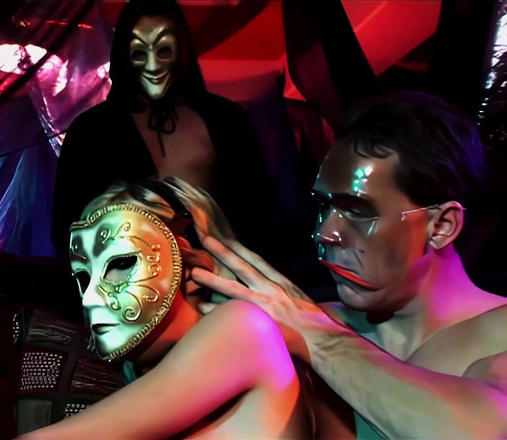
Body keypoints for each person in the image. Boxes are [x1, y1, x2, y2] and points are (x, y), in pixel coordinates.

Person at [192, 91, 507, 438]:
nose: (325, 233)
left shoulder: (501, 333)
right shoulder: (303, 320)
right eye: (325, 207)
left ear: (442, 226)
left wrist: (322, 341)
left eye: (358, 212)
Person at [23, 177, 308, 439]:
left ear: (191, 270)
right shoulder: (135, 378)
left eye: (121, 264)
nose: (89, 298)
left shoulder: (243, 329)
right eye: (84, 278)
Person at [50, 0, 281, 256]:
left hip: (219, 270)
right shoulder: (90, 131)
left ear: (182, 49)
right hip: (127, 275)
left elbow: (261, 212)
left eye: (164, 50)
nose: (153, 66)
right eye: (139, 53)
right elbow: (68, 229)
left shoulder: (227, 120)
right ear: (124, 55)